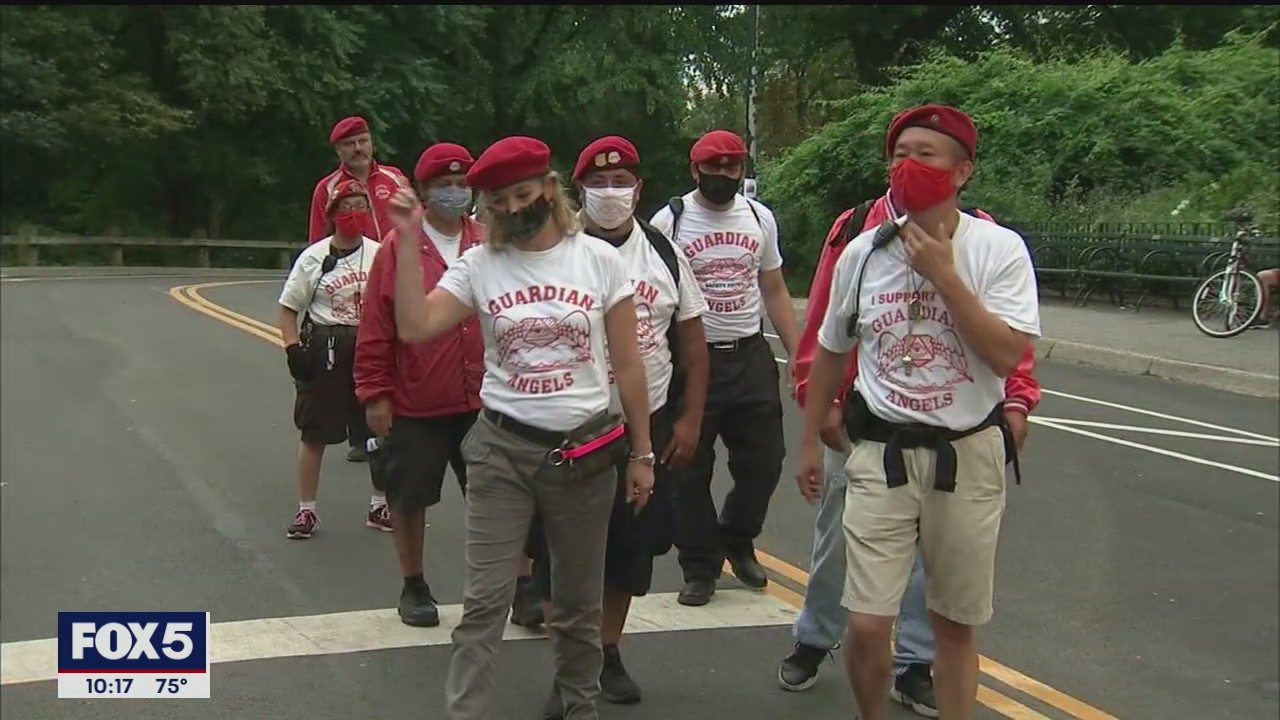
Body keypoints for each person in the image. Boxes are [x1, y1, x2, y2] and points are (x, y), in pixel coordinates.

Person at [387, 136, 656, 720]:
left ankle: (577, 705)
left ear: (550, 190)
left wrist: (642, 453)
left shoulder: (599, 262)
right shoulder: (480, 265)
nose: (512, 208)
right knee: (484, 604)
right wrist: (407, 238)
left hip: (585, 454)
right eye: (498, 200)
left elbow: (628, 364)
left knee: (577, 607)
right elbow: (415, 324)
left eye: (523, 193)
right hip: (502, 451)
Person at [797, 104, 1041, 720]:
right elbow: (831, 349)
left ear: (962, 172)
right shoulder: (862, 252)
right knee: (868, 622)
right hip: (880, 454)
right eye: (899, 155)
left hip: (966, 457)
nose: (908, 167)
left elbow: (1008, 352)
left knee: (952, 625)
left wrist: (945, 276)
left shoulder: (998, 249)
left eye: (925, 155)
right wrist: (809, 442)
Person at [532, 136, 710, 718]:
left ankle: (607, 651)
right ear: (578, 190)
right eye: (600, 183)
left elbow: (691, 340)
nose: (612, 193)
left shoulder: (662, 252)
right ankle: (570, 668)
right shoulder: (555, 248)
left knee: (630, 547)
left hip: (646, 425)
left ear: (640, 189)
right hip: (571, 426)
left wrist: (688, 419)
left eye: (623, 182)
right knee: (565, 554)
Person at [648, 129, 800, 606]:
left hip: (750, 353)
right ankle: (700, 566)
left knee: (765, 461)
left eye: (731, 168)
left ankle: (738, 535)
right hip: (692, 359)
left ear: (742, 171)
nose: (722, 176)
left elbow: (773, 287)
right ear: (695, 171)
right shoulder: (669, 223)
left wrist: (798, 352)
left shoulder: (759, 217)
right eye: (712, 168)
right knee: (687, 468)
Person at [354, 143, 486, 626]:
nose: (455, 193)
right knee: (409, 496)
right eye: (444, 185)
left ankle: (522, 582)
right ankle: (414, 584)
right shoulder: (398, 245)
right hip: (417, 399)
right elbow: (377, 325)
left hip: (484, 399)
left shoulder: (488, 242)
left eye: (462, 184)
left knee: (502, 496)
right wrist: (374, 393)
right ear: (425, 192)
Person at [278, 178, 384, 539]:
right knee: (314, 432)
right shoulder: (314, 258)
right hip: (327, 347)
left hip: (369, 346)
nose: (354, 214)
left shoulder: (381, 253)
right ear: (333, 214)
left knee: (380, 429)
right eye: (346, 207)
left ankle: (380, 503)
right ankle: (306, 510)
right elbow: (289, 308)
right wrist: (293, 349)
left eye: (360, 206)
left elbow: (393, 304)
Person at [308, 115, 409, 462]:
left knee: (400, 350)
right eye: (350, 143)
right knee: (358, 354)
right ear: (339, 150)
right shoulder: (328, 186)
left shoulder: (395, 179)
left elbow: (414, 221)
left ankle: (399, 423)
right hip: (353, 278)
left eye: (363, 140)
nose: (358, 148)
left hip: (395, 272)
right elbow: (318, 238)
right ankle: (360, 433)